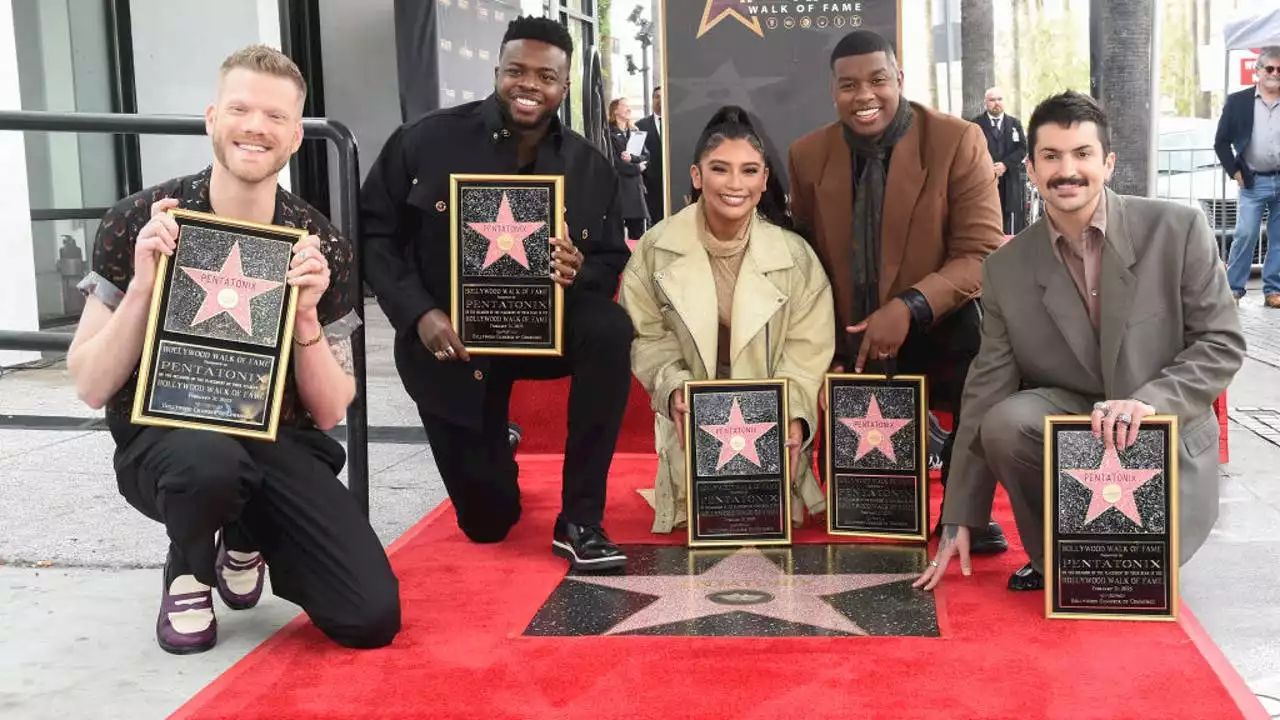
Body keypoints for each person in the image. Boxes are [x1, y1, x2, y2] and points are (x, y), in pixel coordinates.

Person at [66, 45, 401, 655]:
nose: (255, 127)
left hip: (278, 440)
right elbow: (90, 384)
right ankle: (190, 568)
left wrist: (303, 317)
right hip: (168, 438)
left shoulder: (321, 243)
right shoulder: (138, 220)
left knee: (371, 616)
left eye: (275, 117)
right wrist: (144, 286)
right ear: (212, 118)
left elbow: (329, 411)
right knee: (208, 465)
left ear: (296, 136)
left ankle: (243, 526)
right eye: (241, 109)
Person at [915, 90, 1245, 593]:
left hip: (1160, 431)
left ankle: (1106, 544)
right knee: (1005, 422)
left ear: (1108, 163)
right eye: (1051, 156)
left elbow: (1221, 343)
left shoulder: (1177, 230)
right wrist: (961, 515)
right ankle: (1055, 551)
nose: (1066, 170)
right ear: (1030, 168)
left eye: (1082, 154)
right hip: (1073, 417)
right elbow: (987, 388)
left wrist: (1148, 403)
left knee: (1138, 576)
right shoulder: (1005, 268)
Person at [360, 16, 633, 572]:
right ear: (497, 72)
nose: (528, 85)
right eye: (516, 71)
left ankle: (581, 517)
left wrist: (580, 270)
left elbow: (610, 261)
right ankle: (494, 445)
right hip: (452, 344)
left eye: (545, 76)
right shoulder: (425, 141)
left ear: (564, 84)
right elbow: (374, 234)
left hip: (545, 331)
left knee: (609, 330)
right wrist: (418, 313)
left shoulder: (590, 168)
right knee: (487, 523)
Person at [786, 29, 1008, 554]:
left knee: (984, 358)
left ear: (900, 80)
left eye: (878, 80)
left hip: (936, 317)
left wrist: (909, 306)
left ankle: (964, 509)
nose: (864, 96)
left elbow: (982, 253)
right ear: (833, 92)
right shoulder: (807, 154)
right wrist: (829, 346)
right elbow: (808, 256)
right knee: (864, 517)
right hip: (849, 329)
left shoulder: (956, 140)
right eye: (848, 85)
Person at [618, 106, 835, 533]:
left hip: (774, 440)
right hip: (690, 428)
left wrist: (792, 414)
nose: (735, 184)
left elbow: (808, 351)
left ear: (764, 179)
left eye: (749, 171)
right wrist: (673, 385)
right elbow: (646, 336)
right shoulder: (655, 249)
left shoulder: (795, 257)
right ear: (697, 177)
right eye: (720, 169)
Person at [1215, 47, 1280, 307]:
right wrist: (1235, 171)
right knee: (1245, 234)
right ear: (1258, 71)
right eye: (1270, 68)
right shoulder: (1238, 101)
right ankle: (1233, 289)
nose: (1275, 73)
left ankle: (1273, 290)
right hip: (1253, 181)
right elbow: (1221, 142)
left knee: (1279, 239)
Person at [970, 87, 1028, 235]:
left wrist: (1005, 165)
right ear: (985, 103)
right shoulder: (975, 125)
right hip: (986, 180)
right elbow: (971, 149)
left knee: (1010, 219)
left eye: (999, 99)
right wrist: (989, 167)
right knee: (988, 215)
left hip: (1010, 180)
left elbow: (1022, 148)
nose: (996, 103)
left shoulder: (1014, 124)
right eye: (992, 100)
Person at [607, 97, 651, 239]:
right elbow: (613, 162)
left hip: (635, 191)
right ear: (615, 110)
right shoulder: (608, 133)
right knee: (616, 235)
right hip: (619, 189)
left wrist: (633, 159)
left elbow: (646, 156)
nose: (628, 109)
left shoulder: (635, 132)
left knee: (638, 236)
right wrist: (636, 168)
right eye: (625, 105)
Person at [636, 86, 666, 223]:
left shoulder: (676, 123)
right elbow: (633, 154)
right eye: (656, 96)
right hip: (650, 184)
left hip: (674, 183)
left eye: (662, 96)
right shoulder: (640, 126)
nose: (659, 100)